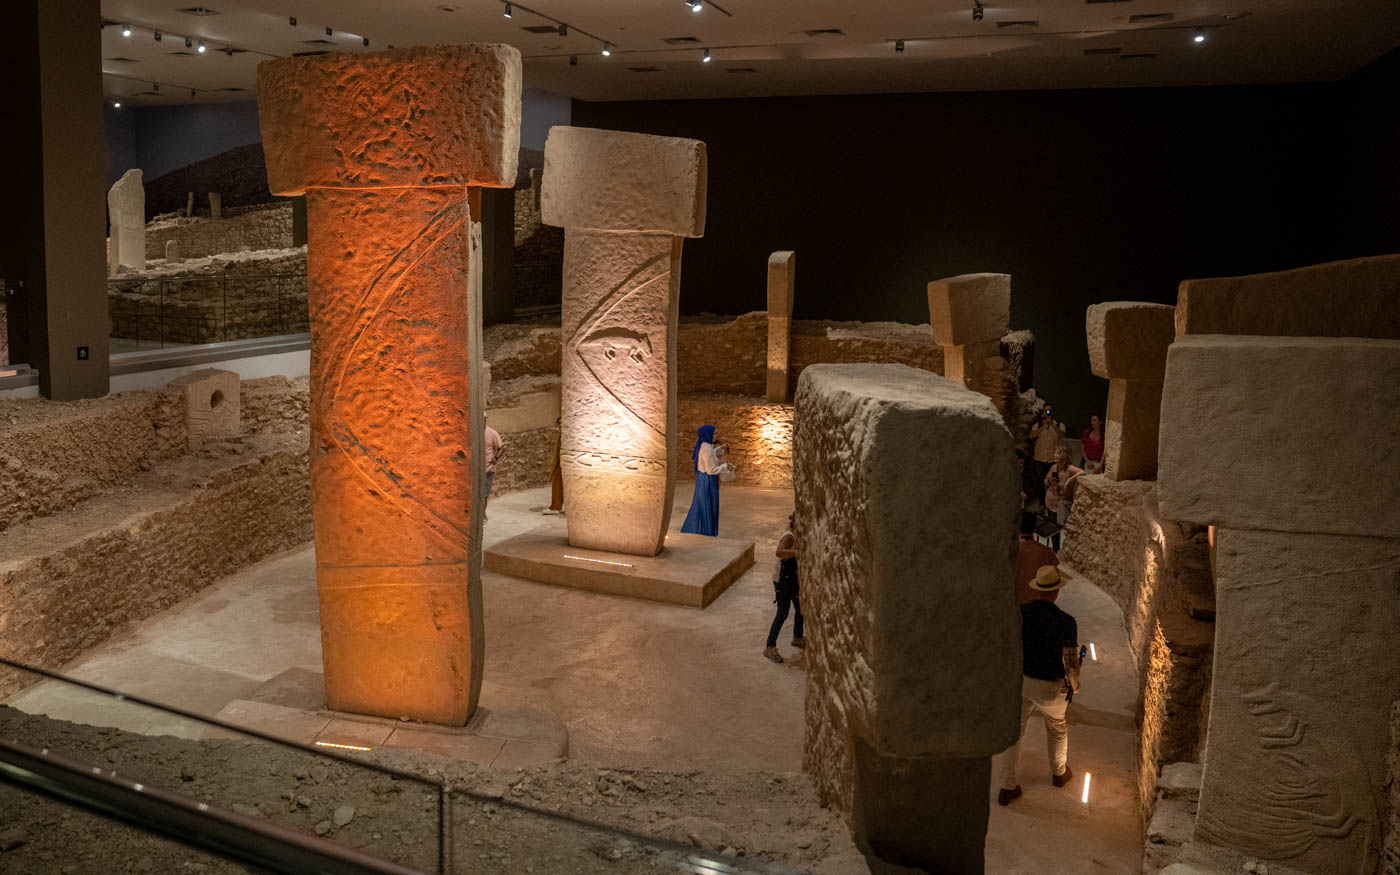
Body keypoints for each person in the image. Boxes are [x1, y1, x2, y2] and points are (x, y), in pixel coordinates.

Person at [997, 565, 1081, 806]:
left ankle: (1007, 786)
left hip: (1022, 681)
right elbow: (1070, 660)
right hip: (1051, 687)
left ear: (1037, 589)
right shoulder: (1066, 621)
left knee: (1016, 733)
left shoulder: (1021, 613)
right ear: (1055, 591)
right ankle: (1059, 773)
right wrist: (1074, 684)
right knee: (1057, 728)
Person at [764, 513, 804, 664]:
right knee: (782, 613)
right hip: (782, 581)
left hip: (792, 579)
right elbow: (779, 552)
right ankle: (770, 646)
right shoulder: (789, 536)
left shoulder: (799, 536)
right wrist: (797, 553)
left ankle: (797, 637)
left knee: (800, 609)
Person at [680, 425, 731, 536]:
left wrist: (719, 449)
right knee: (706, 505)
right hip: (707, 481)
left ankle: (700, 528)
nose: (714, 435)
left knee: (701, 504)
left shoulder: (705, 445)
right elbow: (711, 470)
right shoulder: (706, 450)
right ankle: (704, 530)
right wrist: (724, 466)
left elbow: (711, 453)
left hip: (704, 479)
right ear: (708, 434)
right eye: (713, 433)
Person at [1043, 447, 1084, 550]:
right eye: (1055, 452)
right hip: (1050, 501)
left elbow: (1082, 472)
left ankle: (1065, 550)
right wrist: (1049, 482)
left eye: (1057, 453)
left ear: (1064, 455)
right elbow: (1045, 480)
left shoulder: (1069, 469)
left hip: (1061, 504)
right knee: (1052, 528)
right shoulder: (1054, 467)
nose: (1054, 455)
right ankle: (1055, 550)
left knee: (1063, 527)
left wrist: (1070, 479)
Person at [1016, 511, 1059, 605]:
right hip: (1039, 605)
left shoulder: (1011, 551)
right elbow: (1055, 583)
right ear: (1035, 528)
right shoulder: (1047, 553)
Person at [1028, 404, 1064, 504]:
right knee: (1039, 483)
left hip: (1053, 461)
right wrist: (1043, 428)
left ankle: (1051, 504)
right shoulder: (1038, 425)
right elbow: (1031, 436)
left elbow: (1062, 436)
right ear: (1042, 412)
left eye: (1049, 411)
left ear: (1053, 412)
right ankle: (1042, 504)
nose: (1047, 413)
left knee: (1053, 483)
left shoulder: (1059, 424)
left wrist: (1052, 425)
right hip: (1039, 459)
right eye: (1045, 411)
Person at [483, 424, 505, 520]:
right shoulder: (474, 432)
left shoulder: (492, 432)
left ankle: (483, 515)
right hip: (476, 469)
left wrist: (496, 458)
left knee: (484, 494)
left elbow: (502, 447)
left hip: (488, 468)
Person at [543, 416, 564, 515]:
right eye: (559, 423)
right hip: (560, 463)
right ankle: (556, 506)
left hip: (563, 463)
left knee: (559, 484)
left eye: (562, 423)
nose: (560, 425)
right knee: (557, 484)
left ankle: (556, 507)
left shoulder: (565, 436)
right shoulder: (561, 435)